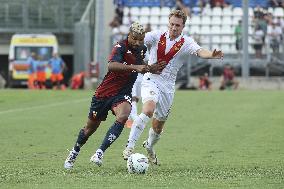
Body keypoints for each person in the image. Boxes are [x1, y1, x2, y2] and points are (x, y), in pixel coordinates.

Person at [122, 10, 224, 164]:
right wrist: (127, 46)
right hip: (151, 79)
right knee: (148, 109)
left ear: (183, 26)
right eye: (172, 24)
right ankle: (129, 146)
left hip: (168, 87)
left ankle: (149, 147)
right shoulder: (156, 36)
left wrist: (211, 54)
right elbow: (138, 40)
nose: (174, 27)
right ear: (168, 23)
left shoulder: (186, 42)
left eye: (177, 25)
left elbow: (200, 51)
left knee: (158, 126)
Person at [64, 22, 166, 169]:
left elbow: (140, 64)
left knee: (124, 115)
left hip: (122, 93)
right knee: (89, 129)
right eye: (135, 39)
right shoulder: (120, 47)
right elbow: (111, 65)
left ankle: (99, 152)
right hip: (104, 93)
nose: (138, 43)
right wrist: (135, 67)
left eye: (141, 40)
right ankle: (74, 151)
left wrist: (151, 68)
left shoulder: (142, 49)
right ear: (129, 35)